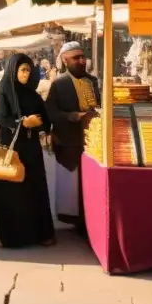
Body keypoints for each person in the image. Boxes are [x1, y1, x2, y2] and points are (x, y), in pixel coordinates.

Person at [0, 53, 56, 249]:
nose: (26, 74)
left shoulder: (31, 93)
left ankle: (40, 233)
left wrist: (40, 124)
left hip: (31, 149)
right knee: (10, 192)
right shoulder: (4, 90)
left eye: (28, 70)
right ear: (14, 70)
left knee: (34, 189)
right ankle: (9, 236)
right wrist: (22, 122)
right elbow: (0, 118)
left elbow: (45, 117)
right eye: (22, 70)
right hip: (10, 149)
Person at [44, 42, 99, 228]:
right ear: (65, 61)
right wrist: (73, 116)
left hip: (93, 141)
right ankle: (74, 219)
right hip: (68, 140)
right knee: (72, 185)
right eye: (76, 58)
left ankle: (89, 218)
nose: (82, 61)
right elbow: (51, 112)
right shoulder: (59, 84)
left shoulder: (93, 81)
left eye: (83, 57)